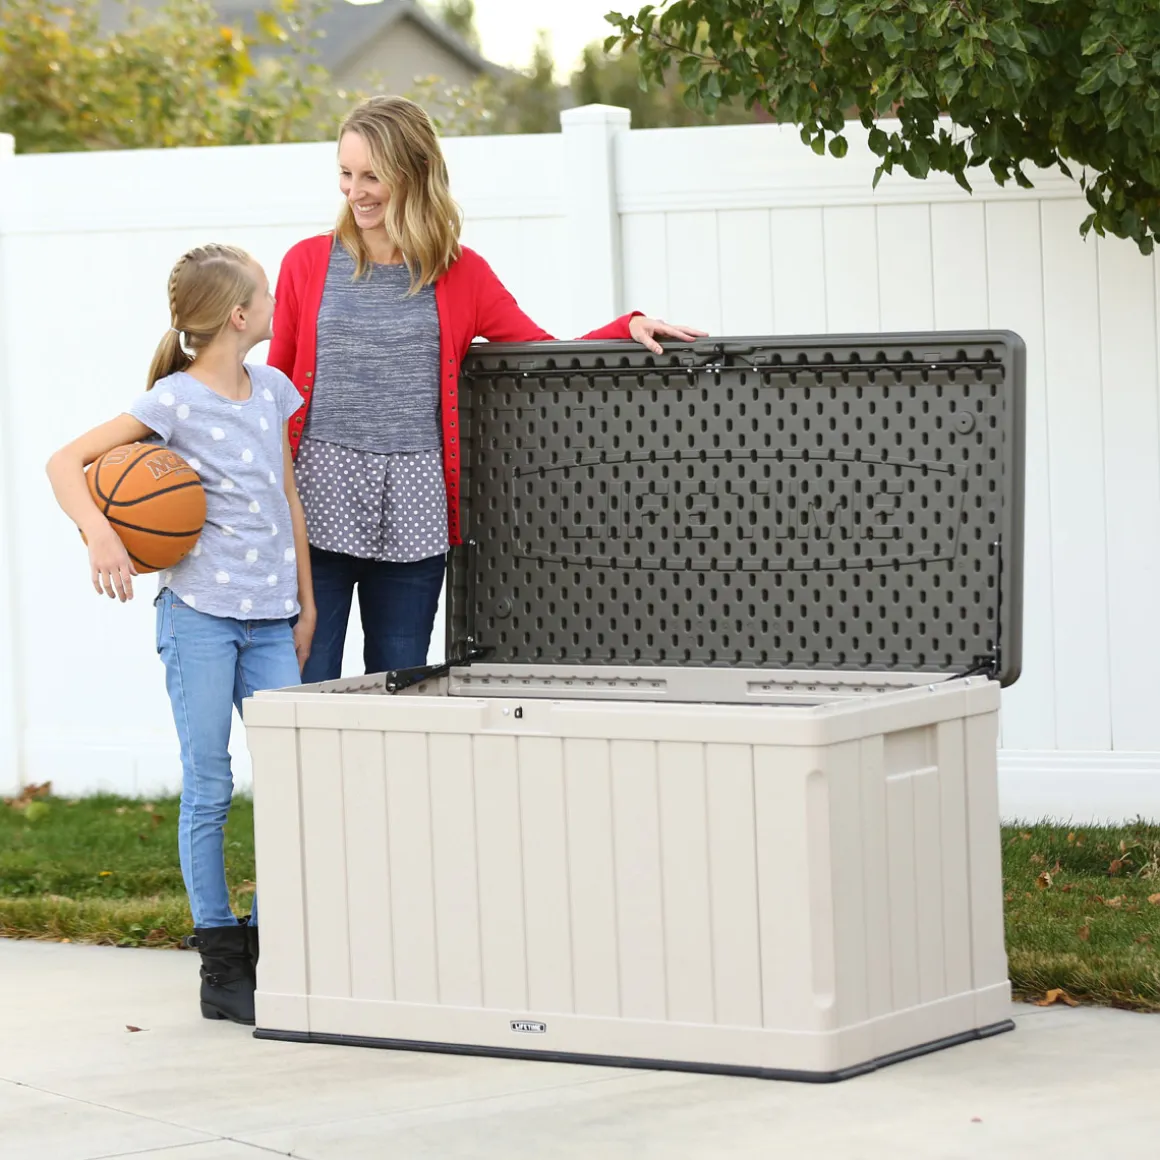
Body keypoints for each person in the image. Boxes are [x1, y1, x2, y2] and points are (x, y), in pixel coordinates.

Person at [269, 95, 706, 684]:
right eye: (346, 174)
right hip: (317, 503)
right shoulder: (305, 263)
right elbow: (273, 393)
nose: (355, 191)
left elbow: (540, 354)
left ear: (415, 173)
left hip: (415, 508)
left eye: (372, 175)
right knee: (305, 685)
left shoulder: (461, 272)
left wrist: (623, 328)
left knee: (400, 687)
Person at [46, 244, 315, 1026]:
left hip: (271, 621)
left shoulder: (272, 390)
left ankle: (270, 942)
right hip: (199, 618)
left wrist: (305, 603)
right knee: (209, 784)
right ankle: (221, 964)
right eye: (266, 294)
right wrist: (101, 533)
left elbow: (286, 495)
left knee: (291, 785)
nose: (275, 304)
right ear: (239, 315)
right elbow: (65, 462)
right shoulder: (173, 401)